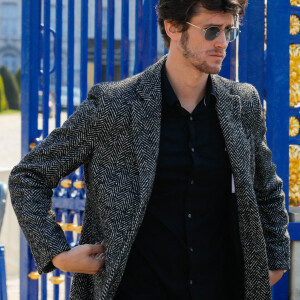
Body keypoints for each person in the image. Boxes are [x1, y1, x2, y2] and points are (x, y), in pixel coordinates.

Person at [9, 0, 290, 299]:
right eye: (211, 30)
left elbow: (267, 188)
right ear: (173, 27)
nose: (222, 43)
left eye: (229, 32)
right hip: (134, 289)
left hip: (220, 288)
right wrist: (58, 254)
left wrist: (275, 261)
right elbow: (29, 176)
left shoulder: (242, 102)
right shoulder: (114, 105)